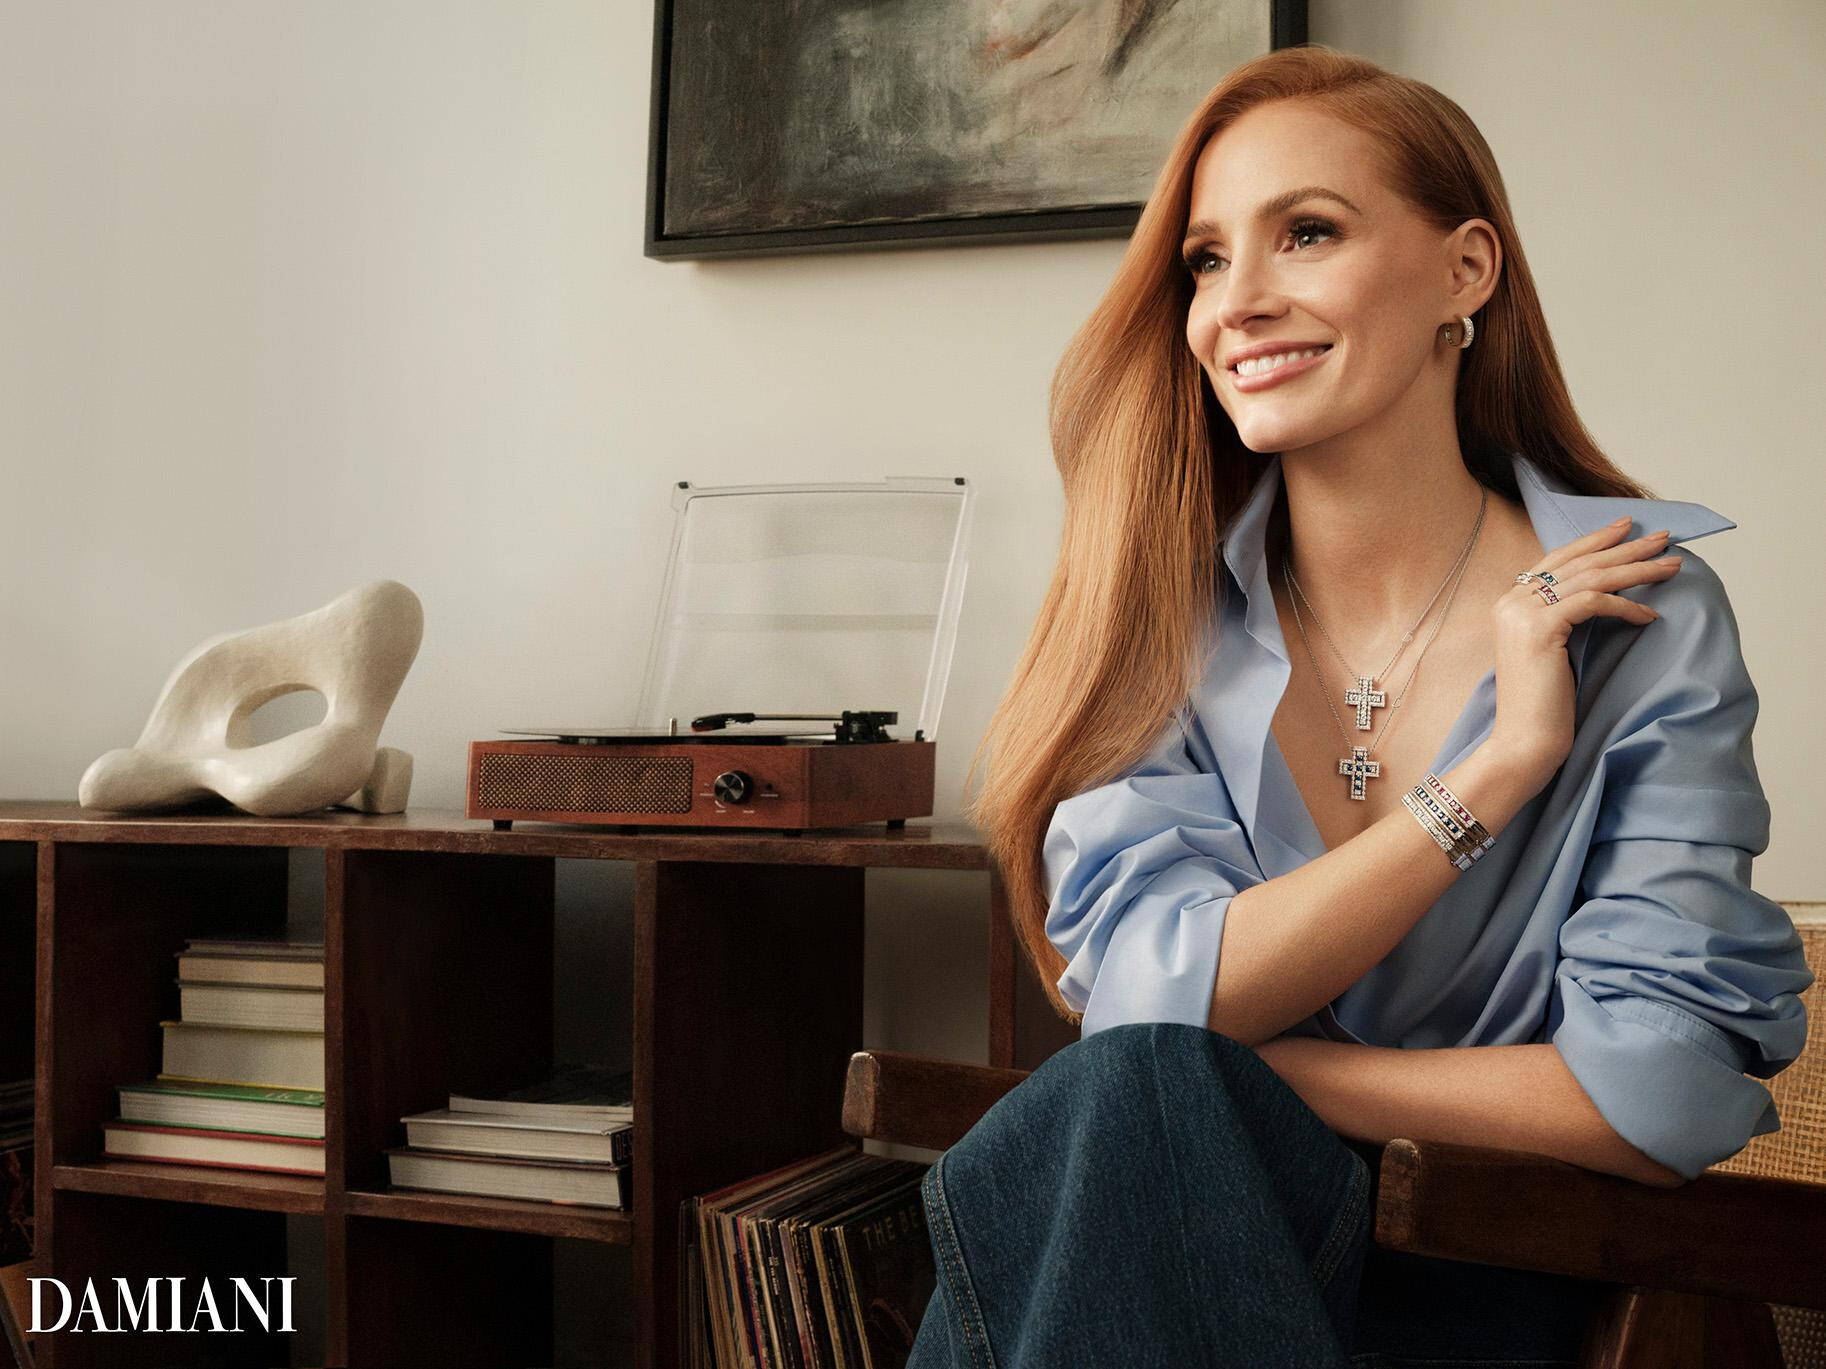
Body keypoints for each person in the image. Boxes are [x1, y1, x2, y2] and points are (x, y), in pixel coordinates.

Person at [914, 43, 1816, 1369]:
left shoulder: (1641, 617)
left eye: (1307, 233)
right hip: (1162, 1238)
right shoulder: (1156, 618)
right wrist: (1493, 774)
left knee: (1125, 1107)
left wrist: (1252, 1074)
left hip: (1484, 1275)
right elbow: (1158, 998)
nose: (1238, 303)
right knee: (1127, 1119)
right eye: (1206, 260)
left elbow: (1654, 1092)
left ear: (1465, 271)